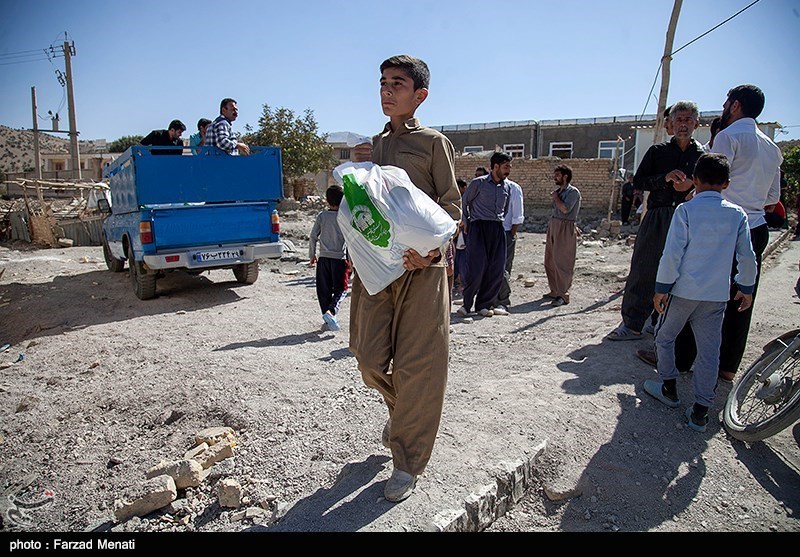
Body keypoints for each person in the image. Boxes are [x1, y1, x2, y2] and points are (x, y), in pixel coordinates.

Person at [349, 55, 461, 503]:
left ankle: (407, 461)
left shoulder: (434, 143)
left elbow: (452, 207)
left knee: (419, 366)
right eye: (382, 83)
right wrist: (356, 174)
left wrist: (432, 251)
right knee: (368, 359)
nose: (387, 90)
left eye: (397, 83)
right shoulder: (371, 146)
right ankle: (404, 414)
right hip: (377, 270)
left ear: (420, 95)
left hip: (422, 269)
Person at [675, 85, 783, 383]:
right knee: (741, 297)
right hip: (756, 227)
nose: (723, 107)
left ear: (735, 106)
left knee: (697, 291)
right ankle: (727, 367)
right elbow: (772, 200)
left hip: (721, 227)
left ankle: (681, 359)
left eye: (726, 103)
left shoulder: (728, 136)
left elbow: (709, 181)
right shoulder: (772, 148)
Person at [643, 153, 757, 432]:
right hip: (716, 295)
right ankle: (701, 411)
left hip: (683, 291)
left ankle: (669, 388)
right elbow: (747, 256)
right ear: (727, 183)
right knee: (709, 351)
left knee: (665, 336)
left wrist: (661, 289)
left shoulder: (686, 211)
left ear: (695, 180)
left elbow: (672, 255)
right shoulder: (737, 214)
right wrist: (746, 287)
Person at [607, 101, 704, 341]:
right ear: (670, 124)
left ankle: (659, 322)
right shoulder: (658, 152)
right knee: (644, 268)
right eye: (678, 120)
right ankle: (632, 324)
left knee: (680, 272)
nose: (683, 124)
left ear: (696, 124)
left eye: (688, 120)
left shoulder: (702, 156)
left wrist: (692, 184)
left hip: (689, 217)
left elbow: (712, 184)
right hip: (659, 216)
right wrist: (665, 179)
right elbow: (639, 181)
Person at [457, 152, 512, 318]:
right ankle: (466, 305)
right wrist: (466, 221)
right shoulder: (478, 184)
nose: (508, 170)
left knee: (496, 268)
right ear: (495, 166)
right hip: (478, 227)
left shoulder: (507, 187)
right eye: (506, 167)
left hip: (497, 228)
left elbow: (506, 208)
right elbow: (464, 202)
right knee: (476, 267)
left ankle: (484, 304)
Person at [309, 185, 350, 333]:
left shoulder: (322, 216)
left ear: (327, 200)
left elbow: (313, 236)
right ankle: (331, 313)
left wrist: (312, 255)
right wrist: (351, 261)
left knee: (323, 291)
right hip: (340, 260)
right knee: (342, 289)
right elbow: (350, 241)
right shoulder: (345, 217)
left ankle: (327, 319)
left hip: (323, 260)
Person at [544, 164, 581, 307]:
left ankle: (563, 294)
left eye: (558, 175)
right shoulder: (558, 192)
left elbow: (565, 209)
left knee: (563, 262)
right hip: (554, 225)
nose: (555, 177)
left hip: (565, 227)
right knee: (550, 260)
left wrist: (556, 198)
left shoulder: (573, 192)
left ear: (565, 177)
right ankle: (554, 290)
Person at [492, 172, 524, 315]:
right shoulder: (489, 187)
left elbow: (517, 216)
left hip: (505, 233)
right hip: (490, 232)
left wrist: (510, 234)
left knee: (502, 268)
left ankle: (503, 301)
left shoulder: (513, 188)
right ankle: (492, 299)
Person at [452, 178, 469, 299]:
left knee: (464, 261)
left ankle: (465, 283)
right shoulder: (454, 201)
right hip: (456, 236)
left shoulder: (467, 202)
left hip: (465, 235)